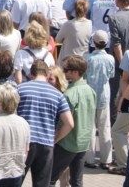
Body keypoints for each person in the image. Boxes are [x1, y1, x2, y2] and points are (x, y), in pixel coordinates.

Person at [16, 59, 74, 187]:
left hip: (24, 142)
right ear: (47, 74)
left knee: (16, 180)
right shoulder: (58, 95)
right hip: (46, 143)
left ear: (31, 74)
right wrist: (55, 138)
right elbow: (70, 123)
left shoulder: (20, 89)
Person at [50, 54, 96, 186]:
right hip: (83, 142)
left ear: (75, 72)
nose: (63, 72)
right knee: (77, 180)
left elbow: (66, 124)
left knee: (50, 178)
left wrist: (55, 139)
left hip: (67, 143)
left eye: (66, 70)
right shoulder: (90, 90)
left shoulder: (69, 94)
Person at [83, 30, 115, 169]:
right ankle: (106, 159)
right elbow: (111, 75)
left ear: (94, 42)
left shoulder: (88, 58)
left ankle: (89, 159)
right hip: (104, 94)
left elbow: (84, 76)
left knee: (90, 127)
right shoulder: (110, 58)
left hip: (90, 94)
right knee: (105, 127)